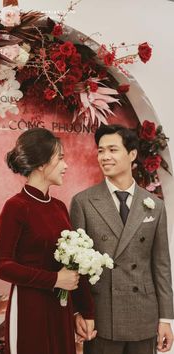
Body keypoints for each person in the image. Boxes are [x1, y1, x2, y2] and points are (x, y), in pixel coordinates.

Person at [70, 124, 174, 354]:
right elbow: (74, 266)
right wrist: (79, 312)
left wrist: (166, 318)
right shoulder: (83, 202)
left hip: (144, 317)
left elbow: (161, 265)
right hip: (101, 317)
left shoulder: (155, 205)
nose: (105, 157)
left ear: (132, 154)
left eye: (113, 150)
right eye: (100, 150)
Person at [0, 128, 95, 354]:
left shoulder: (59, 207)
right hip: (31, 309)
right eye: (60, 158)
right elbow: (0, 265)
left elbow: (72, 263)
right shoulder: (16, 207)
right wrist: (54, 279)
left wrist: (81, 312)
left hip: (60, 309)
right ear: (40, 164)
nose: (66, 165)